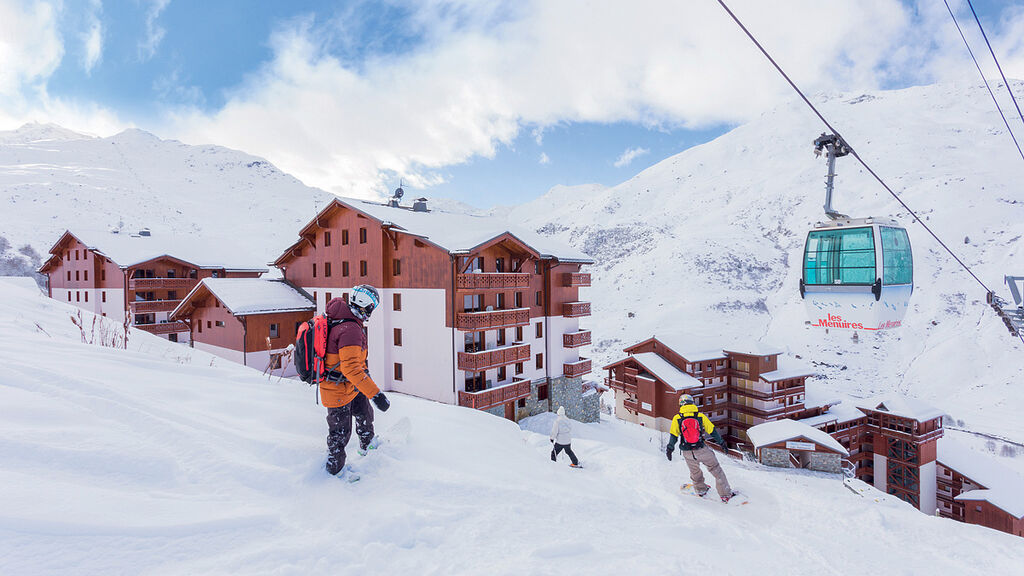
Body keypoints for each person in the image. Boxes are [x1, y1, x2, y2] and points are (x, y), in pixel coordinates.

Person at [321, 285, 391, 477]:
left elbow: (356, 364)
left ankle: (368, 448)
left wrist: (366, 383)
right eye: (371, 307)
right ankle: (333, 473)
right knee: (340, 434)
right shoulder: (350, 329)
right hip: (337, 389)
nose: (371, 312)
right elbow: (351, 368)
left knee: (364, 414)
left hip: (349, 384)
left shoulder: (346, 320)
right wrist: (376, 394)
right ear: (364, 306)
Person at [665, 394, 735, 502]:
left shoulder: (677, 418)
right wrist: (722, 443)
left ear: (681, 404)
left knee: (695, 472)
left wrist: (670, 449)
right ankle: (725, 493)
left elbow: (673, 435)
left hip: (687, 452)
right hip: (701, 449)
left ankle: (701, 489)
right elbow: (712, 431)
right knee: (715, 469)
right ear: (692, 403)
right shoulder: (700, 416)